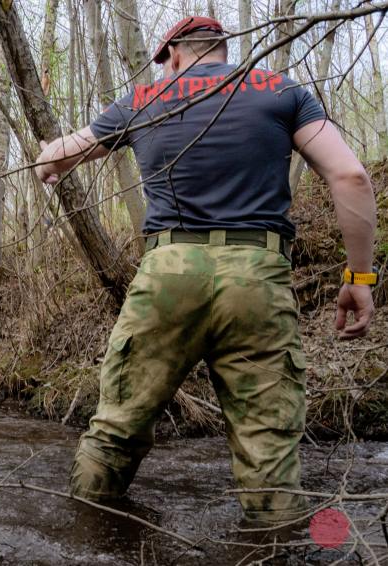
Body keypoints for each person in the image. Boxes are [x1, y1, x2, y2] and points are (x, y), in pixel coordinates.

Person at [35, 15, 376, 523]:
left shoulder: (142, 100)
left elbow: (58, 159)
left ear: (172, 54)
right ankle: (271, 544)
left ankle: (85, 531)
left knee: (114, 432)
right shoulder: (283, 90)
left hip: (168, 271)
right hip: (257, 275)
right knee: (268, 451)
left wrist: (47, 160)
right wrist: (359, 278)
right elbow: (349, 176)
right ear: (220, 49)